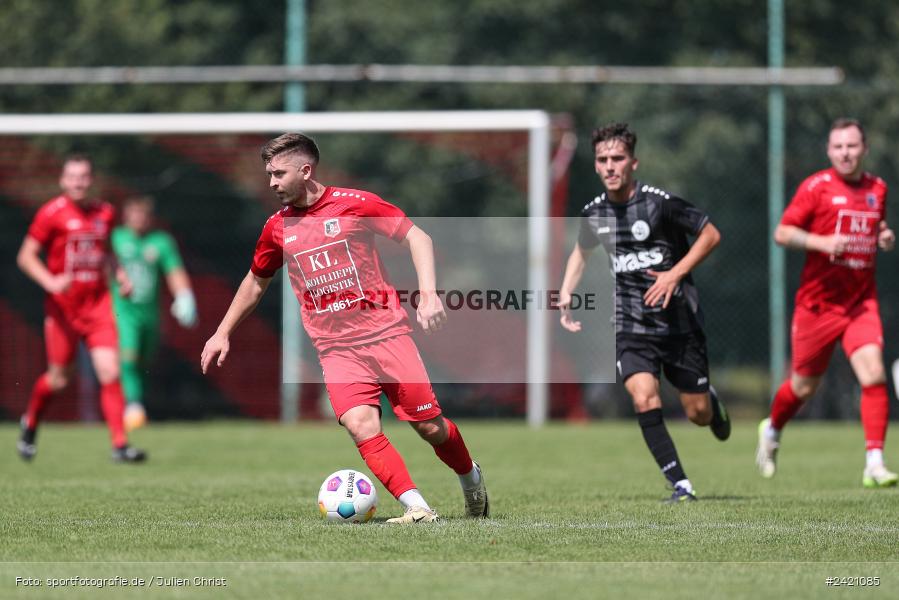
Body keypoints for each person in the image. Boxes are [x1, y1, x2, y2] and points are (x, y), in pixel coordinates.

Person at [200, 133, 488, 523]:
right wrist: (222, 332)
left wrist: (428, 295)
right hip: (335, 349)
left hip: (386, 334)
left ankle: (470, 478)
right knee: (359, 424)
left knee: (429, 427)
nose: (271, 183)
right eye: (269, 174)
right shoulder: (277, 227)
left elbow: (417, 237)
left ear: (305, 171)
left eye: (279, 174)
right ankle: (417, 508)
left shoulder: (356, 204)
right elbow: (255, 281)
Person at [558, 122, 730, 503]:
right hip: (631, 325)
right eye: (603, 159)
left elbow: (711, 235)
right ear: (596, 165)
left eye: (617, 158)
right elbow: (581, 252)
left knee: (698, 414)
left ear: (633, 162)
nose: (610, 166)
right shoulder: (594, 213)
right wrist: (566, 290)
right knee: (644, 397)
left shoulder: (659, 203)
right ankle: (681, 484)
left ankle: (710, 403)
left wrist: (674, 274)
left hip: (679, 325)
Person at [757, 117, 896, 488]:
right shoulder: (816, 187)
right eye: (838, 147)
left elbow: (875, 224)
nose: (845, 153)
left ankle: (874, 463)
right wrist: (822, 243)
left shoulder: (878, 188)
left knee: (874, 374)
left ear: (865, 149)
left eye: (852, 146)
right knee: (803, 387)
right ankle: (771, 430)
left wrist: (883, 235)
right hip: (817, 306)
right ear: (829, 151)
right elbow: (782, 232)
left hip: (860, 302)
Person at [16, 154, 146, 463]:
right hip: (63, 309)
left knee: (110, 371)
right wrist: (50, 281)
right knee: (59, 379)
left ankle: (119, 445)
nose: (78, 182)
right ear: (63, 181)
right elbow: (26, 256)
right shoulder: (51, 213)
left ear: (91, 180)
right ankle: (31, 421)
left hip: (98, 305)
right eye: (73, 177)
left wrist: (120, 275)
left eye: (84, 176)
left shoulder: (105, 212)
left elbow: (107, 252)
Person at [111, 195, 198, 431]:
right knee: (127, 356)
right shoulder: (115, 238)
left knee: (144, 361)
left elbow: (174, 271)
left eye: (143, 213)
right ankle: (132, 405)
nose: (139, 218)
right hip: (123, 311)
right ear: (126, 215)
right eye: (135, 213)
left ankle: (135, 403)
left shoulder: (160, 242)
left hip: (149, 313)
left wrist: (185, 296)